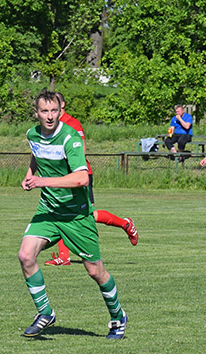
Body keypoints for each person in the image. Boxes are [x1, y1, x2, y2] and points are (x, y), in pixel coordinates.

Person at [18, 89, 127, 339]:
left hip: (76, 216)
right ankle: (45, 313)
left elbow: (81, 178)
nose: (49, 116)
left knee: (95, 271)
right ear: (36, 113)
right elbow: (36, 153)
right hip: (48, 210)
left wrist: (42, 181)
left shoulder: (70, 138)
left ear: (60, 111)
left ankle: (118, 317)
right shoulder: (32, 134)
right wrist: (30, 173)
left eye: (54, 111)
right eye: (44, 111)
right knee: (25, 255)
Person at [45, 92, 138, 267]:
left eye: (54, 105)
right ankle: (64, 256)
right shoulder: (51, 125)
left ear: (62, 105)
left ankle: (125, 223)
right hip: (61, 177)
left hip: (79, 175)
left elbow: (81, 151)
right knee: (60, 211)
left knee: (87, 215)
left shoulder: (72, 123)